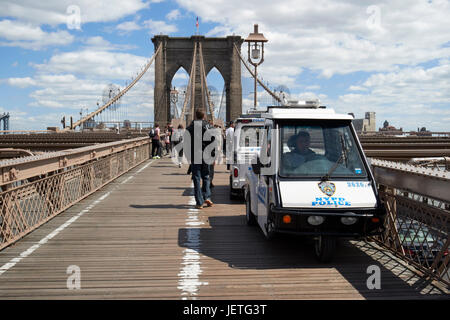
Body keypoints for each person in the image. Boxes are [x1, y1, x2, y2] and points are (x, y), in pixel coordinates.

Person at [186, 109, 214, 209]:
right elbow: (213, 141)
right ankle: (207, 197)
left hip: (195, 155)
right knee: (206, 176)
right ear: (204, 116)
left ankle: (199, 202)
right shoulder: (209, 126)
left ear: (195, 116)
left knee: (196, 178)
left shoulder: (190, 127)